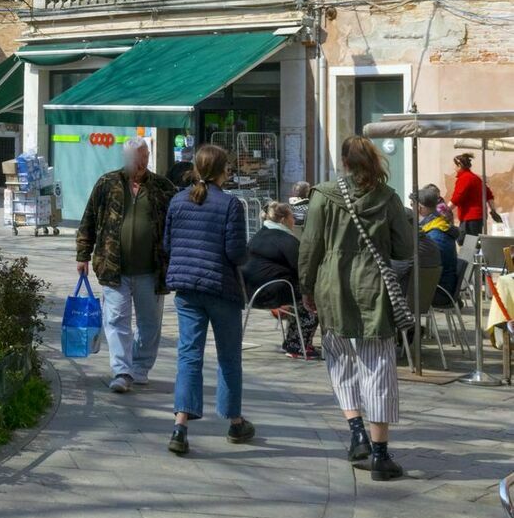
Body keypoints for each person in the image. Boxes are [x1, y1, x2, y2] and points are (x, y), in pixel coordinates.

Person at [298, 135, 413, 483]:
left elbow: (310, 246)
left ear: (344, 163)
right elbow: (405, 247)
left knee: (339, 357)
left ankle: (356, 432)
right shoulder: (388, 198)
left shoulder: (322, 196)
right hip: (374, 287)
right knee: (377, 365)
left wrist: (306, 286)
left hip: (332, 286)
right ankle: (380, 454)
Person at [162, 143, 256, 454]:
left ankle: (180, 425)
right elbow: (235, 252)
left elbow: (167, 244)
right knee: (229, 356)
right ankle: (235, 421)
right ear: (222, 171)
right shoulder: (231, 205)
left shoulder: (177, 202)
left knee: (189, 354)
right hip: (221, 288)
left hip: (187, 288)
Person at [76, 138, 176, 393]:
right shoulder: (107, 184)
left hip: (151, 269)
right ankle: (122, 371)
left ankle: (140, 368)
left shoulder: (162, 187)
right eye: (135, 158)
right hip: (113, 267)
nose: (140, 163)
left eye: (144, 157)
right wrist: (82, 255)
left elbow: (177, 225)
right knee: (117, 319)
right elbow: (88, 219)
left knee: (149, 323)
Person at [243, 201, 319, 357]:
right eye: (292, 217)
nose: (294, 221)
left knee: (297, 292)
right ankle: (297, 345)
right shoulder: (286, 240)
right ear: (284, 219)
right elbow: (303, 268)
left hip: (249, 292)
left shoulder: (259, 234)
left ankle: (292, 341)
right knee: (312, 296)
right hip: (270, 292)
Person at [417, 185, 460, 304]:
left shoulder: (435, 235)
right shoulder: (437, 226)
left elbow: (428, 266)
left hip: (440, 291)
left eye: (412, 205)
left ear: (420, 208)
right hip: (441, 286)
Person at [449, 152, 494, 237]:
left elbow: (457, 197)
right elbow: (489, 195)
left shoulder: (465, 178)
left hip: (469, 217)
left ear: (460, 166)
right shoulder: (476, 178)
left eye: (455, 165)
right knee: (474, 243)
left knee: (469, 245)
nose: (454, 168)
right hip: (478, 217)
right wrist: (493, 210)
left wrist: (445, 210)